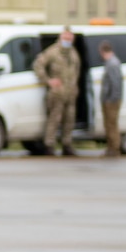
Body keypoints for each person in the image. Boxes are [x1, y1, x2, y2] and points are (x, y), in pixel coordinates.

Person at [34, 27, 82, 157]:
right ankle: (49, 145)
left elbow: (76, 71)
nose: (68, 40)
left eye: (70, 38)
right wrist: (48, 81)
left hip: (70, 93)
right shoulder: (53, 52)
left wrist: (75, 86)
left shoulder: (73, 54)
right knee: (54, 119)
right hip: (57, 93)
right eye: (66, 38)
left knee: (69, 120)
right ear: (61, 37)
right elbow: (38, 65)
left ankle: (67, 144)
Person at [98, 39, 125, 157]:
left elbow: (115, 84)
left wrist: (112, 99)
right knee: (109, 125)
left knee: (112, 125)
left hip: (111, 101)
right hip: (109, 100)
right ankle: (111, 148)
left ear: (102, 51)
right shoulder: (110, 63)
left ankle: (114, 149)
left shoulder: (112, 64)